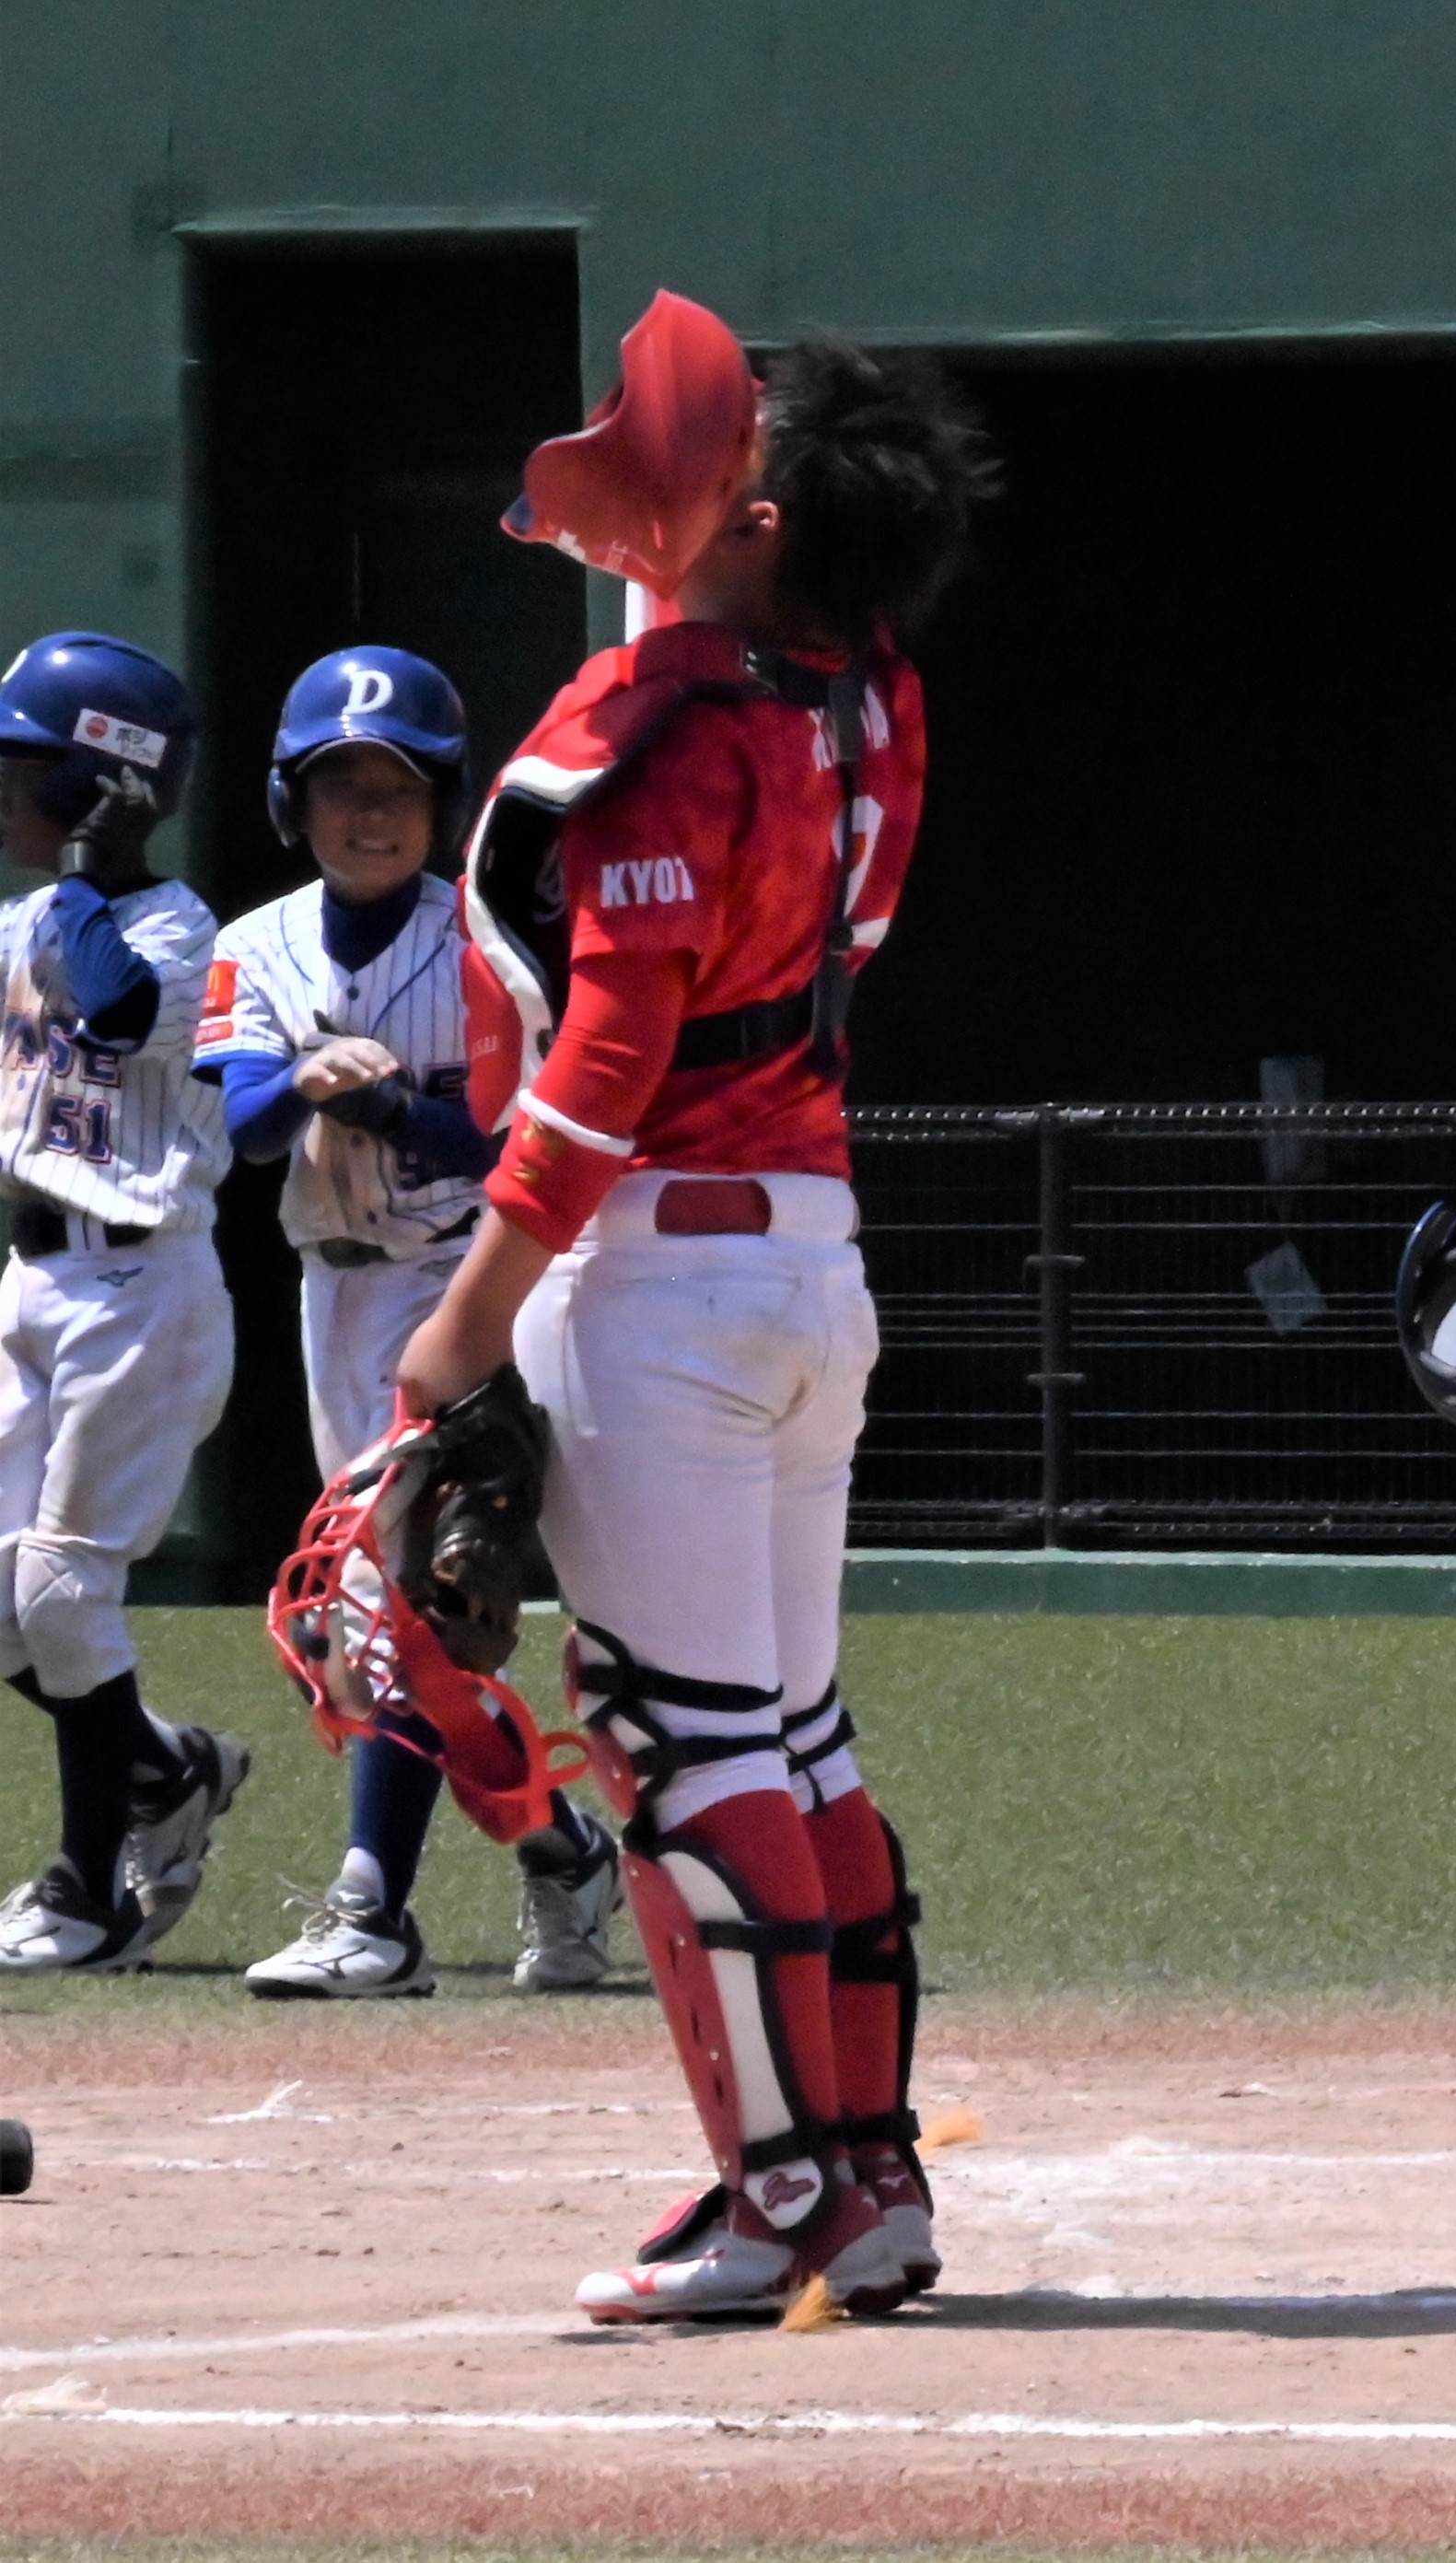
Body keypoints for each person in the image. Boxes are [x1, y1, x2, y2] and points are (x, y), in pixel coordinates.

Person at [395, 292, 988, 2319]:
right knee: (790, 1739)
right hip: (804, 1250)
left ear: (755, 519)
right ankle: (867, 2177)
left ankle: (779, 2191)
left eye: (726, 452)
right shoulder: (867, 693)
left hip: (655, 1265)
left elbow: (610, 1054)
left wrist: (465, 1313)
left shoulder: (655, 733)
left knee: (681, 1742)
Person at [209, 647, 623, 2000]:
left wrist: (389, 1105)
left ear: (444, 802)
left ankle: (371, 1908)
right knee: (383, 1631)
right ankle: (562, 1850)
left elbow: (509, 1141)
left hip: (464, 1288)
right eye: (341, 787)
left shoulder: (483, 944)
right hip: (334, 1288)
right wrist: (315, 1084)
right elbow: (241, 1122)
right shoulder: (251, 942)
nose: (369, 812)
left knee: (409, 1610)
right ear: (294, 802)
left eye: (396, 786)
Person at [0, 634, 255, 1977]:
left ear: (106, 783)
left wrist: (94, 861)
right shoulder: (21, 925)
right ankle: (167, 1768)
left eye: (28, 767)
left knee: (58, 1584)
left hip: (140, 1283)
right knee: (4, 1594)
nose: (4, 790)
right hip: (33, 1274)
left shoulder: (177, 927)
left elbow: (109, 1013)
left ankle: (87, 1896)